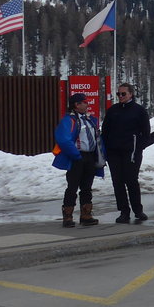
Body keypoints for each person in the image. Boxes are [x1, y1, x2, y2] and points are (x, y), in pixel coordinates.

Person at [101, 82, 151, 223]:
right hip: (114, 152)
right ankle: (124, 211)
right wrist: (107, 149)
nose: (120, 96)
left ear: (131, 94)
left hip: (132, 152)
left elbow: (146, 133)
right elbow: (105, 130)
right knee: (118, 182)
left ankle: (138, 210)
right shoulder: (113, 110)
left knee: (131, 180)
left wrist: (138, 147)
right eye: (118, 94)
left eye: (123, 94)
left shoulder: (139, 111)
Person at [53, 93, 104, 227]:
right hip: (77, 157)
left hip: (90, 156)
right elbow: (64, 140)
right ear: (77, 104)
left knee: (87, 187)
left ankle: (86, 215)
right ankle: (68, 216)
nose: (87, 104)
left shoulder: (90, 120)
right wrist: (76, 155)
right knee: (72, 187)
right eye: (84, 102)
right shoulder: (69, 120)